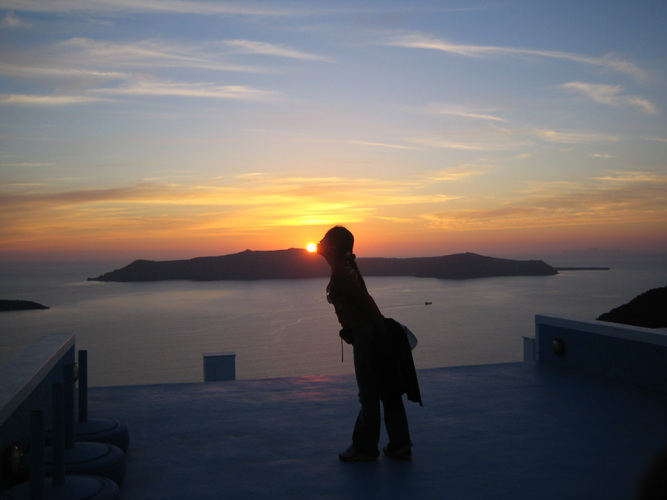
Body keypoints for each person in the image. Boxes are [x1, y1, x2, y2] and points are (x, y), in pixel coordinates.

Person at [317, 225, 413, 462]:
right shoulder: (344, 268)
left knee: (369, 395)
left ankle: (365, 448)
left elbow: (364, 302)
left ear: (335, 247)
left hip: (366, 337)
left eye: (325, 239)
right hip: (367, 334)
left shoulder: (340, 270)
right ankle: (399, 445)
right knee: (386, 390)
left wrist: (380, 331)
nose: (319, 241)